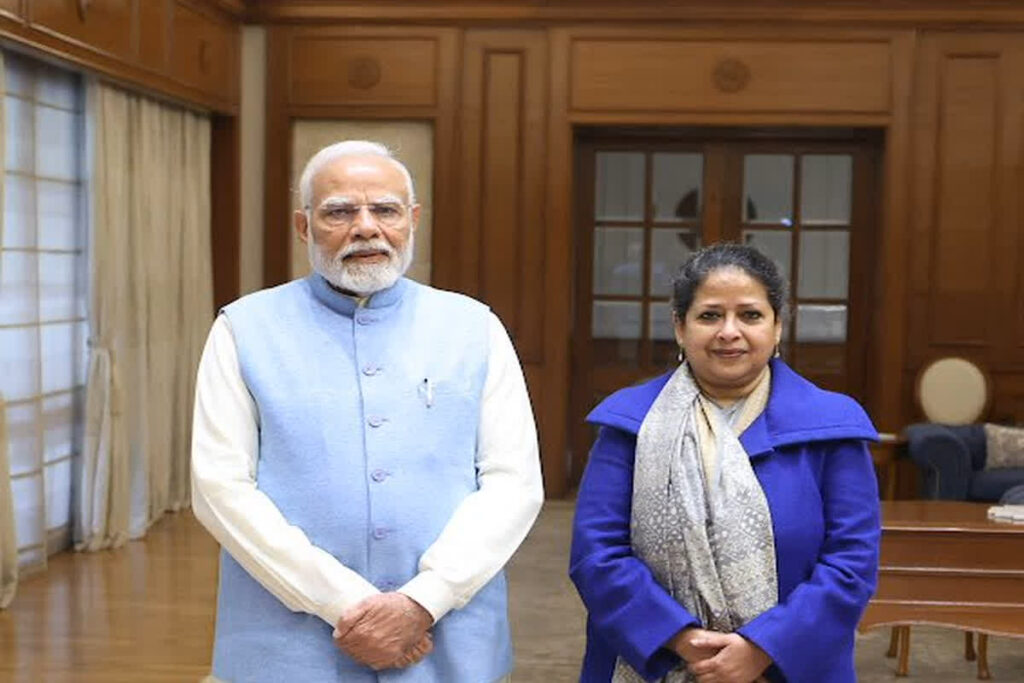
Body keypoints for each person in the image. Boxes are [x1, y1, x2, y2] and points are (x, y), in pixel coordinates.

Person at [191, 140, 544, 682]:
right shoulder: (243, 330)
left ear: (412, 220)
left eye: (385, 209)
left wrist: (424, 600)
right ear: (304, 226)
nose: (365, 227)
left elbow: (512, 483)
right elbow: (220, 489)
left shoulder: (475, 328)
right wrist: (346, 605)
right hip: (287, 637)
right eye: (338, 212)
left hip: (443, 632)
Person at [569, 243, 880, 683]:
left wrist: (762, 648)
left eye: (750, 315)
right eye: (710, 315)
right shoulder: (629, 424)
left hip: (792, 668)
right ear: (680, 328)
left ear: (777, 328)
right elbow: (596, 555)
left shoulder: (832, 427)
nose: (729, 332)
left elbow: (851, 563)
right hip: (655, 662)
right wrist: (680, 639)